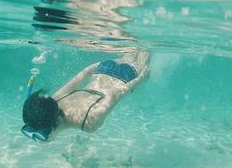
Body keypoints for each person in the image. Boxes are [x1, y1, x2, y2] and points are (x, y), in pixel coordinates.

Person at [21, 51, 149, 142]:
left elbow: (117, 94)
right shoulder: (54, 101)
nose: (36, 139)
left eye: (42, 135)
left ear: (58, 121)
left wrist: (142, 78)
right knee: (134, 48)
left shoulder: (89, 122)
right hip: (103, 68)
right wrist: (98, 64)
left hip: (125, 77)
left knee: (144, 50)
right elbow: (80, 77)